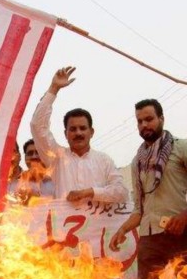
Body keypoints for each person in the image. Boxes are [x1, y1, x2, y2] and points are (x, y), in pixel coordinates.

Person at [108, 99, 187, 279]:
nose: (144, 125)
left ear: (161, 119)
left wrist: (186, 215)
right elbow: (139, 210)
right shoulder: (137, 162)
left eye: (149, 119)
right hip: (148, 241)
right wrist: (122, 230)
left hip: (179, 236)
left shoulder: (182, 148)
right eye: (139, 121)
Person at [30, 66, 128, 203]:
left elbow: (121, 192)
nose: (78, 133)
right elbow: (37, 125)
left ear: (91, 132)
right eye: (73, 129)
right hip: (62, 218)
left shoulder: (104, 161)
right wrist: (53, 89)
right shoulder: (56, 157)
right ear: (66, 134)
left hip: (97, 218)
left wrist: (90, 192)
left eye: (82, 128)